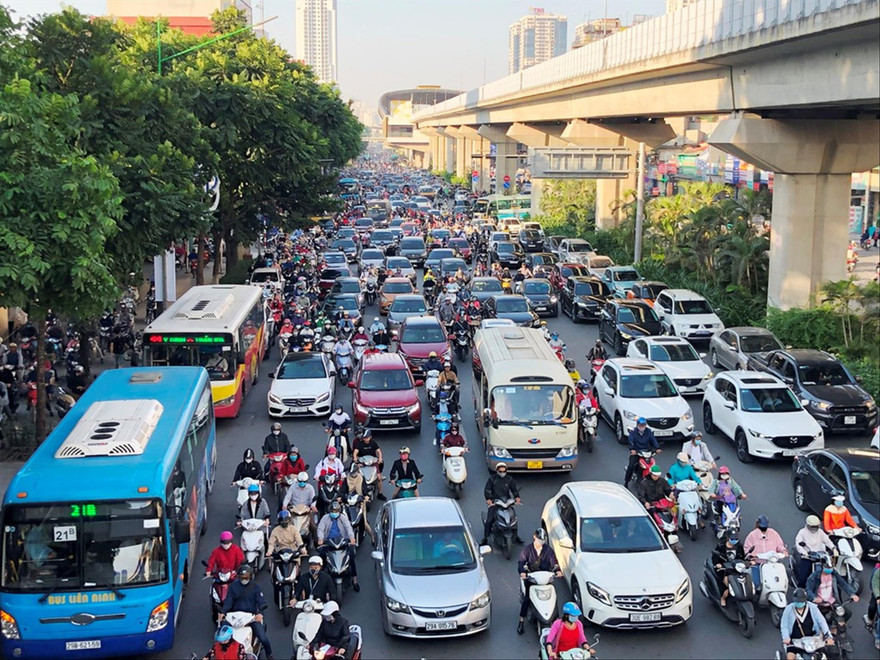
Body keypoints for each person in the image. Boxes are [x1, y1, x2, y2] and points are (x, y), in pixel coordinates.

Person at [219, 565, 273, 660]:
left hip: (250, 617)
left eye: (246, 577)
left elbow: (261, 601)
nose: (244, 579)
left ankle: (269, 654)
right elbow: (228, 601)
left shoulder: (256, 586)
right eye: (242, 577)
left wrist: (260, 613)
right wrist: (223, 612)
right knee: (221, 632)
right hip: (235, 616)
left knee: (263, 638)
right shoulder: (233, 586)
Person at [516, 529, 561, 634]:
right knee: (527, 599)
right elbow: (521, 562)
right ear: (534, 537)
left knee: (554, 599)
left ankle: (557, 621)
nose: (541, 542)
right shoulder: (527, 550)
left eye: (543, 540)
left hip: (545, 580)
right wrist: (522, 572)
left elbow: (553, 561)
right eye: (539, 539)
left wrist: (557, 570)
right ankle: (521, 620)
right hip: (532, 579)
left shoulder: (548, 550)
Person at [316, 502, 359, 592]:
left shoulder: (343, 518)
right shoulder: (325, 518)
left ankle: (355, 579)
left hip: (342, 542)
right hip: (329, 542)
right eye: (332, 510)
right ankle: (319, 579)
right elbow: (320, 528)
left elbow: (348, 528)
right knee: (322, 556)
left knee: (351, 556)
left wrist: (351, 538)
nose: (334, 512)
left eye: (336, 510)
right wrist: (320, 539)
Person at [780, 588, 834, 660]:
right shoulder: (788, 609)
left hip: (813, 640)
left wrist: (828, 636)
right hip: (795, 642)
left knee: (823, 656)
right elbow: (784, 625)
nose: (799, 603)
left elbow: (822, 621)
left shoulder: (813, 607)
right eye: (797, 601)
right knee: (790, 657)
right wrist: (786, 637)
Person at [481, 463, 522, 545]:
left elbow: (514, 489)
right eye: (500, 471)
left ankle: (516, 536)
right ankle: (485, 538)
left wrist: (517, 497)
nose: (502, 473)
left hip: (506, 502)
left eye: (504, 471)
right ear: (497, 471)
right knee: (489, 520)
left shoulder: (509, 479)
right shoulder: (492, 479)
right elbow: (487, 490)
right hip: (495, 502)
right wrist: (489, 499)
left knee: (514, 519)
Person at [793, 515, 835, 587]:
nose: (814, 528)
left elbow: (827, 541)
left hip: (820, 557)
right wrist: (804, 552)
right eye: (812, 526)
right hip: (808, 557)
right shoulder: (802, 532)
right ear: (807, 525)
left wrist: (834, 548)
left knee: (831, 572)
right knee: (803, 577)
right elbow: (798, 544)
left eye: (816, 526)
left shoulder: (820, 532)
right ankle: (800, 590)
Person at [744, 515, 788, 585]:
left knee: (780, 582)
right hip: (758, 564)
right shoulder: (752, 535)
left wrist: (783, 551)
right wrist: (751, 558)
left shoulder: (773, 533)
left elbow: (780, 545)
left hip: (772, 563)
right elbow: (747, 549)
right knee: (757, 584)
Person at [341, 462, 375, 544]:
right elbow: (342, 491)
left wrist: (366, 496)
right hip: (348, 503)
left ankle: (373, 537)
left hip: (359, 503)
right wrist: (340, 497)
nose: (353, 474)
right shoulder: (346, 480)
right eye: (351, 473)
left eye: (354, 472)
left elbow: (365, 490)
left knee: (364, 523)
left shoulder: (361, 478)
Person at [711, 532, 749, 607]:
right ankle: (723, 598)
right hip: (725, 569)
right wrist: (718, 564)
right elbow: (715, 558)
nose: (734, 540)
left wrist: (747, 562)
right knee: (729, 585)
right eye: (732, 539)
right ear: (728, 538)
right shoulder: (721, 546)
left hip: (737, 569)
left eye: (735, 539)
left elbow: (743, 558)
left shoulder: (739, 546)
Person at [624, 418, 660, 487]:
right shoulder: (633, 432)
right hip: (637, 452)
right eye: (640, 425)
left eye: (643, 425)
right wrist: (632, 449)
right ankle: (626, 481)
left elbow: (653, 440)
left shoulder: (648, 431)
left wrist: (657, 448)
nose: (642, 427)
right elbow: (630, 441)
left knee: (652, 465)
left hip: (646, 452)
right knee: (631, 466)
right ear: (637, 425)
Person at [352, 430, 386, 500]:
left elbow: (378, 451)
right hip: (362, 462)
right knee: (356, 476)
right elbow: (355, 452)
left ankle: (380, 493)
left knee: (379, 478)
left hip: (372, 462)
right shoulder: (360, 444)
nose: (365, 439)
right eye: (364, 437)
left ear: (370, 437)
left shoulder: (373, 443)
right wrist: (355, 458)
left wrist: (380, 458)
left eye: (367, 437)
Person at [862, 548, 880, 650]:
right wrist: (878, 596)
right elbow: (875, 585)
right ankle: (878, 638)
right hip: (878, 594)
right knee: (873, 607)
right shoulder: (878, 572)